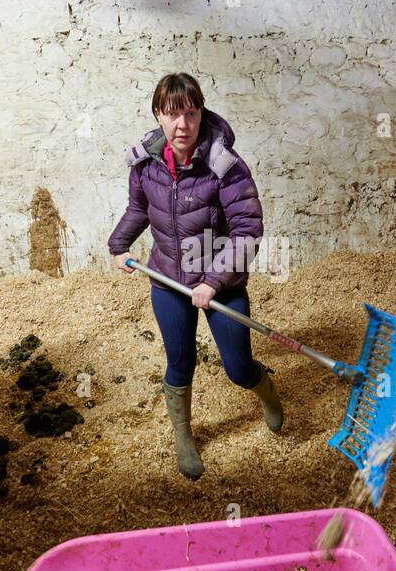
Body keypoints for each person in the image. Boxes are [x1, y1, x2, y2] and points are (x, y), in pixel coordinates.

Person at [108, 72, 282, 479]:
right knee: (179, 363)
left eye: (190, 113)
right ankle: (184, 436)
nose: (181, 125)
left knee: (238, 368)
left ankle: (268, 395)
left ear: (201, 113)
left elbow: (247, 231)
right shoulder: (145, 163)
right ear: (158, 115)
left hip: (221, 284)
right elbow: (138, 210)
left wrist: (212, 281)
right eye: (172, 115)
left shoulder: (225, 166)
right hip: (167, 279)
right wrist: (119, 246)